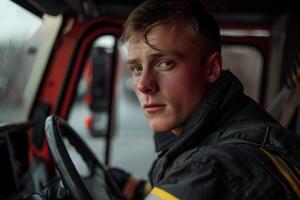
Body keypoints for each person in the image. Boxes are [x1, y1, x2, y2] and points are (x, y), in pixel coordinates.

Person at [108, 0, 300, 199]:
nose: (143, 85)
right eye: (137, 68)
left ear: (211, 69)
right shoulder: (227, 136)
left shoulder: (211, 170)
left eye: (165, 63)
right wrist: (139, 190)